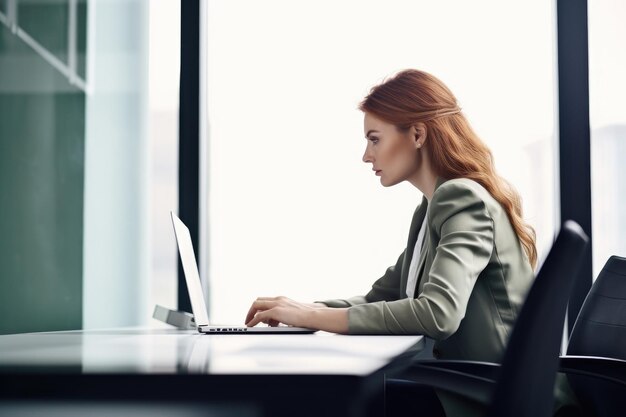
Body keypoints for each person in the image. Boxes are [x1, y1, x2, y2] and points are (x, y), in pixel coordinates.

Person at [244, 69, 543, 416]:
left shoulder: (461, 199)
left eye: (374, 139)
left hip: (483, 399)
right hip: (462, 388)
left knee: (315, 398)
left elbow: (438, 313)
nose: (366, 156)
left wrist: (312, 316)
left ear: (417, 134)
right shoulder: (431, 208)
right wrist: (300, 311)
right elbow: (381, 298)